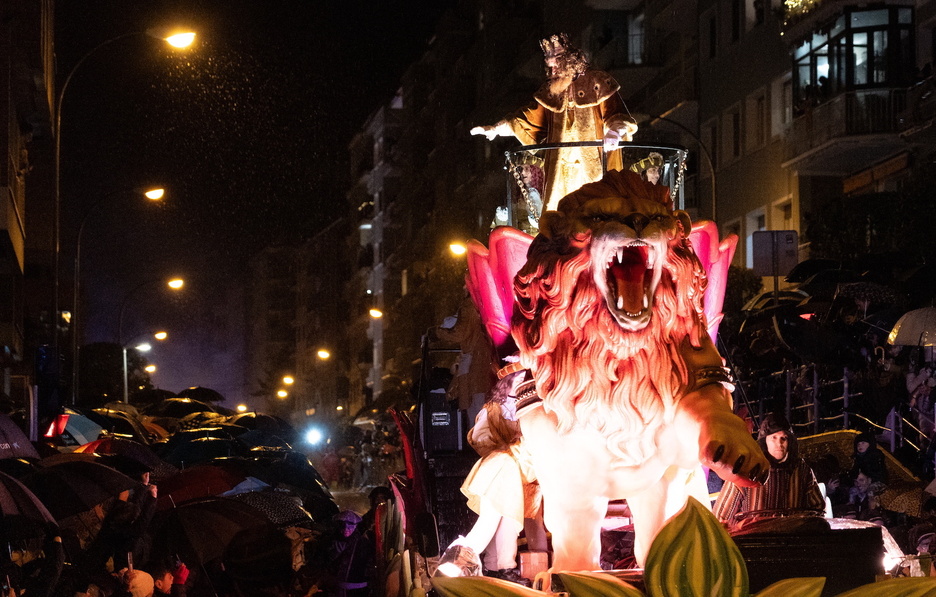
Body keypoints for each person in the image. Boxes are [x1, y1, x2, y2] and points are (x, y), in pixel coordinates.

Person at [470, 33, 637, 212]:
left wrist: (614, 132)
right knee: (562, 211)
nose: (551, 65)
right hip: (561, 169)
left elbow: (616, 114)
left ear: (571, 59)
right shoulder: (551, 92)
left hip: (594, 163)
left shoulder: (597, 81)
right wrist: (495, 129)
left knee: (599, 207)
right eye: (548, 60)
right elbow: (527, 120)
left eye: (557, 59)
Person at [435, 369, 545, 585]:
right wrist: (506, 445)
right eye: (520, 378)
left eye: (526, 378)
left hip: (515, 473)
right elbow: (479, 437)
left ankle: (499, 567)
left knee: (508, 520)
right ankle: (456, 564)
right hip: (498, 470)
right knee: (490, 519)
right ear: (508, 381)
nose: (523, 381)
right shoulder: (494, 410)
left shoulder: (530, 407)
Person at [712, 413, 825, 532]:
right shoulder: (747, 468)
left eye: (784, 438)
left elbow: (817, 510)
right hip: (754, 542)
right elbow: (721, 516)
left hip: (791, 542)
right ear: (765, 441)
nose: (779, 444)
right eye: (774, 438)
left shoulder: (801, 470)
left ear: (789, 441)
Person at [323, 511, 374, 597]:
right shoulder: (333, 542)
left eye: (350, 525)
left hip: (358, 590)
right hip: (336, 589)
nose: (346, 529)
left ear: (356, 526)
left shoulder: (363, 543)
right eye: (342, 525)